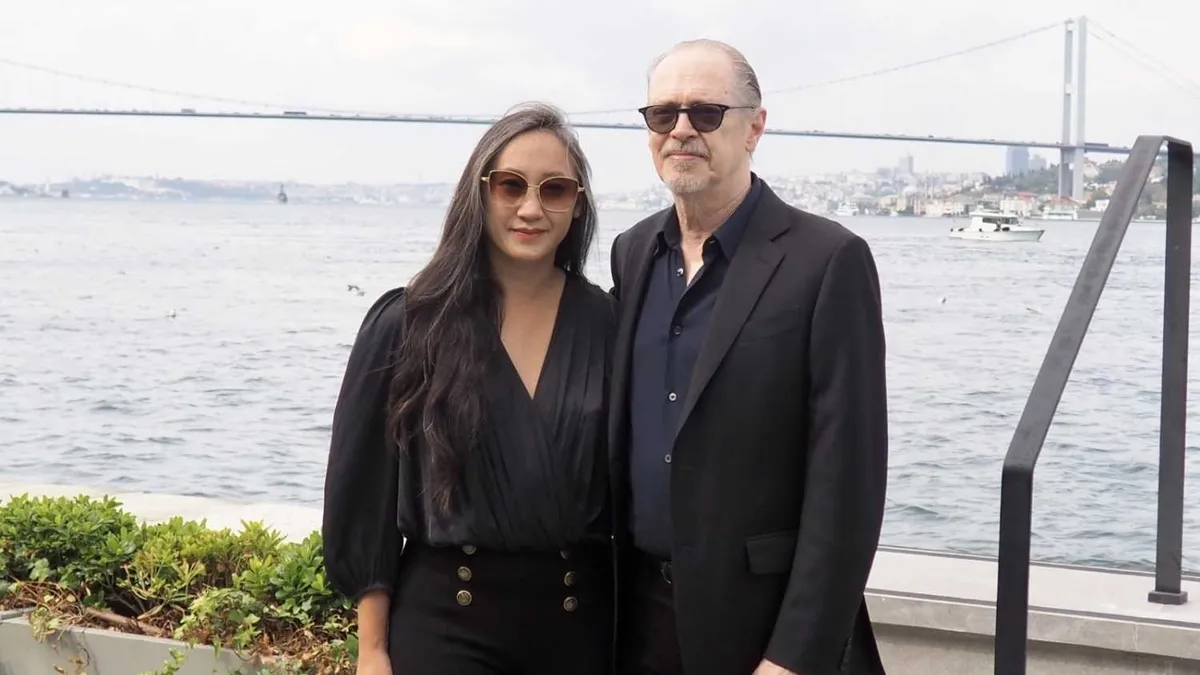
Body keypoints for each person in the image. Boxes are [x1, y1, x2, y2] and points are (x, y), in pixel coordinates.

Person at [607, 40, 889, 675]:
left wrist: (792, 659)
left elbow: (848, 485)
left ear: (755, 127)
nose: (681, 130)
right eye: (663, 114)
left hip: (761, 633)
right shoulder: (633, 252)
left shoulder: (828, 260)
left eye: (706, 113)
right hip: (639, 623)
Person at [322, 102, 616, 675]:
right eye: (511, 185)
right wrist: (372, 652)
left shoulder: (610, 325)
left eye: (554, 189)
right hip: (443, 629)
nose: (530, 208)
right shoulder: (410, 323)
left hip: (580, 630)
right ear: (478, 193)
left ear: (578, 204)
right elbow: (364, 496)